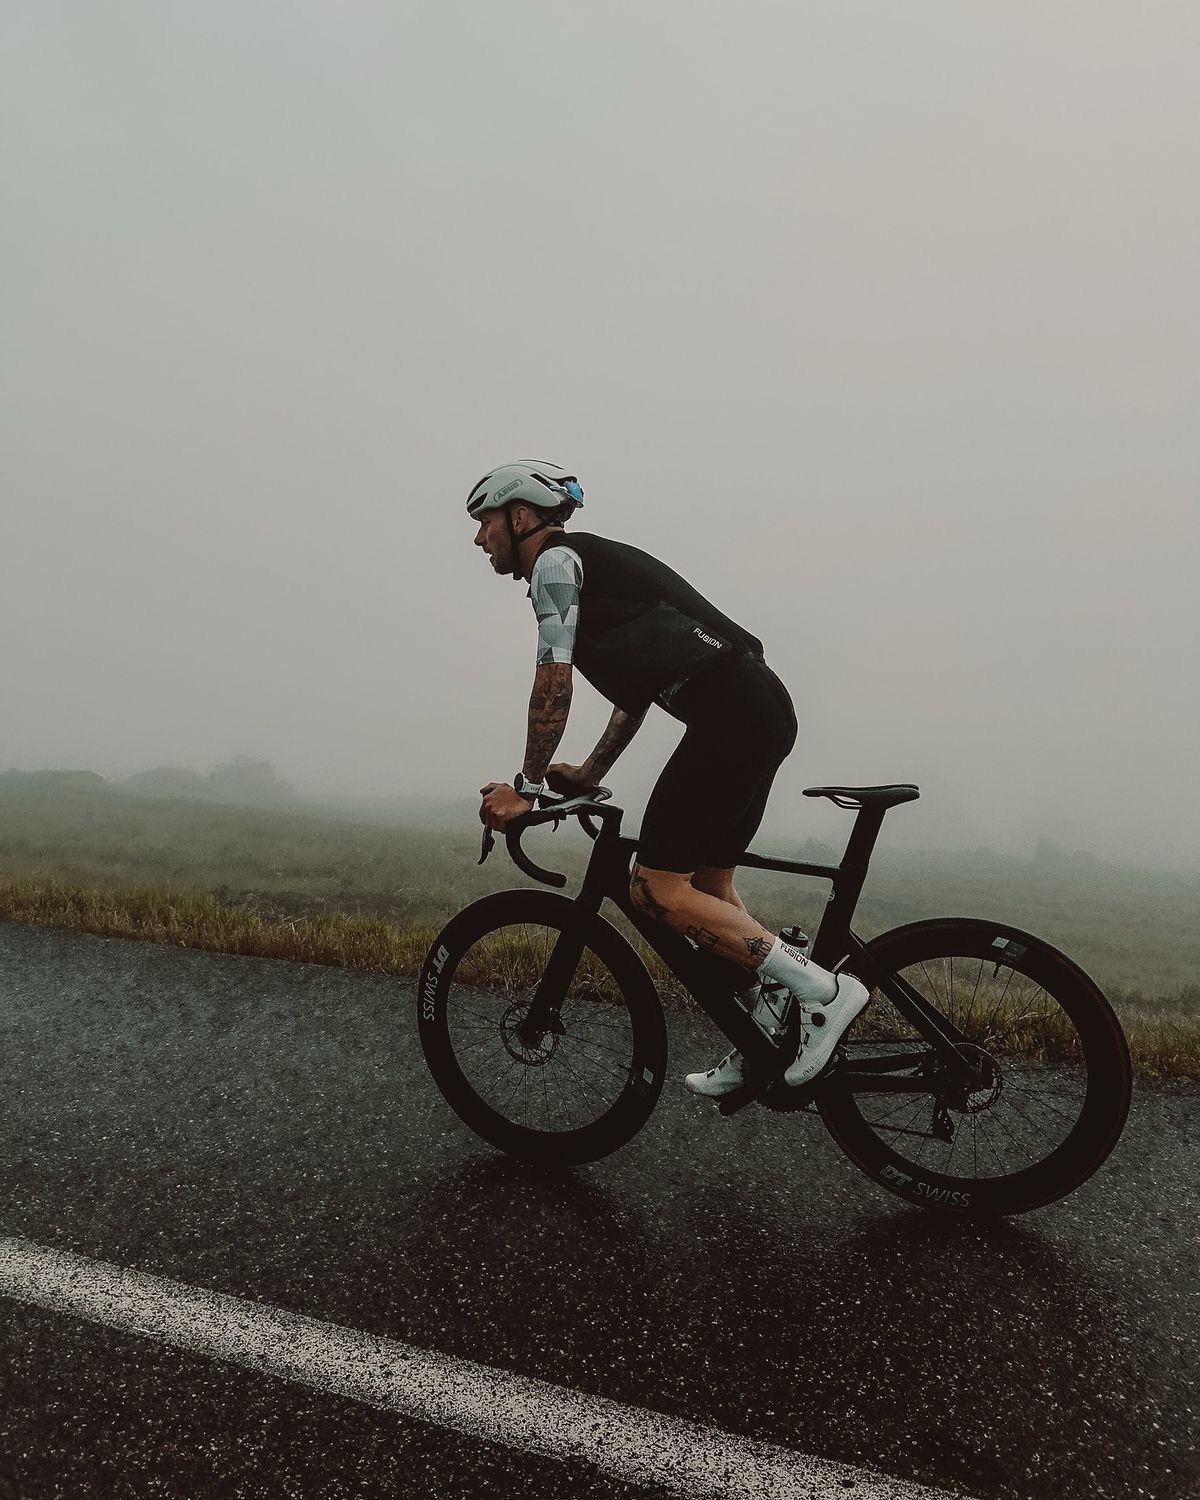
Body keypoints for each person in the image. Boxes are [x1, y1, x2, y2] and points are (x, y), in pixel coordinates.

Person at [470, 459, 868, 1095]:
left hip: (733, 715)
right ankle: (768, 1030)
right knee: (707, 886)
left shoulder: (555, 563)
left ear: (519, 518)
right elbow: (636, 695)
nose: (478, 537)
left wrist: (529, 784)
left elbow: (552, 679)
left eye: (485, 521)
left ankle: (823, 993)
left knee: (653, 889)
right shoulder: (594, 570)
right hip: (755, 709)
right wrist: (590, 770)